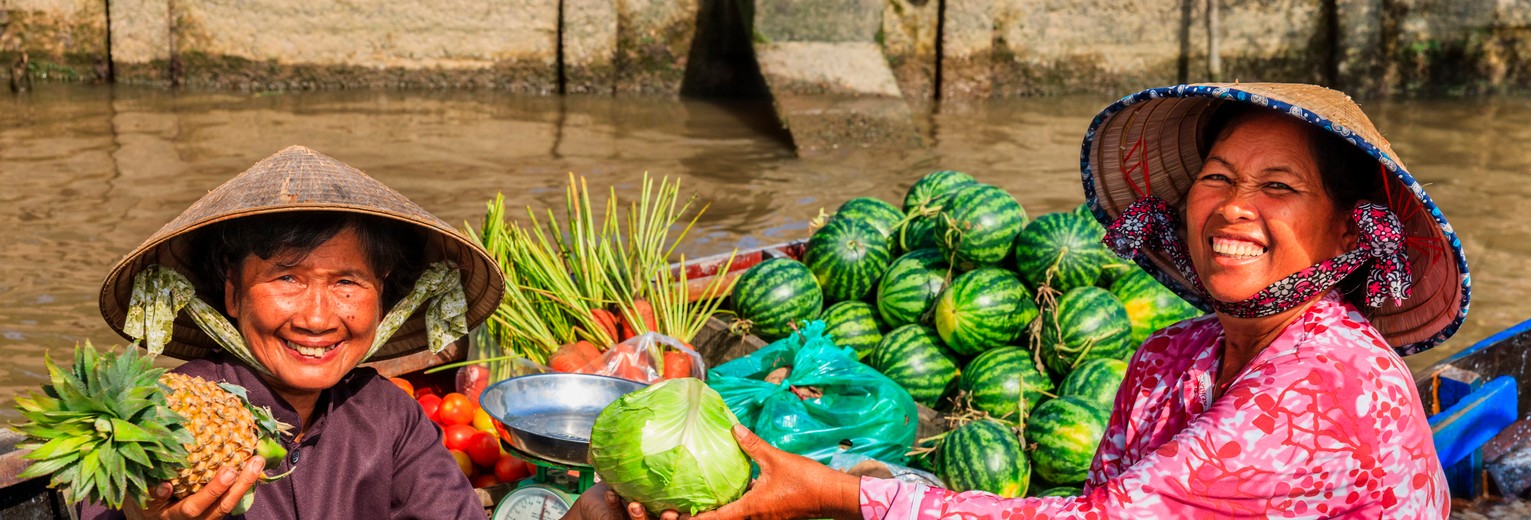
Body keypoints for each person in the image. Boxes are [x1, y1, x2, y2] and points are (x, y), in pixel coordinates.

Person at [569, 83, 1469, 519]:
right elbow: (1102, 494)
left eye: (1279, 188)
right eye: (1219, 179)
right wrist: (875, 487)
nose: (1234, 208)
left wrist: (837, 496)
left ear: (1352, 236)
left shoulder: (1328, 380)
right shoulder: (1174, 355)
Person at [81, 145, 506, 519]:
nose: (316, 319)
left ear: (380, 295)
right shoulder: (159, 412)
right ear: (233, 292)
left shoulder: (391, 417)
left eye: (346, 282)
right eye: (287, 279)